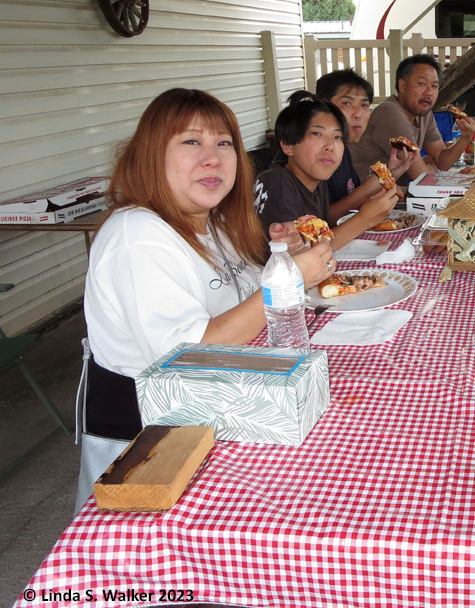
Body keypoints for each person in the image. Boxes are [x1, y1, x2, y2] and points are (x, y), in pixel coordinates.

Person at [79, 88, 336, 509]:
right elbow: (185, 354)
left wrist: (284, 259)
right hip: (151, 450)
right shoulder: (137, 234)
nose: (213, 158)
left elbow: (249, 305)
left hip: (223, 406)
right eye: (191, 142)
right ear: (151, 154)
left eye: (224, 143)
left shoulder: (212, 223)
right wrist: (286, 283)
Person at [254, 94, 400, 248]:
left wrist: (370, 205)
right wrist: (365, 218)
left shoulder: (316, 181)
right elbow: (301, 256)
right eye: (317, 134)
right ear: (288, 145)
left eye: (338, 137)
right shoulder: (276, 183)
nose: (331, 145)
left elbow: (323, 234)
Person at [352, 54, 475, 182]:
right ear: (403, 86)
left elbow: (442, 162)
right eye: (422, 84)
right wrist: (432, 167)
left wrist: (465, 137)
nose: (429, 92)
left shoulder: (423, 113)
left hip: (389, 193)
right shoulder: (391, 114)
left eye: (434, 86)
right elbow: (423, 178)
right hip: (365, 196)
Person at [315, 70, 419, 224]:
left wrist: (391, 175)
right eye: (347, 103)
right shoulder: (313, 155)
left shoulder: (344, 151)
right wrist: (373, 185)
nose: (358, 114)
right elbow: (319, 221)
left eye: (364, 105)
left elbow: (354, 204)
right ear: (323, 107)